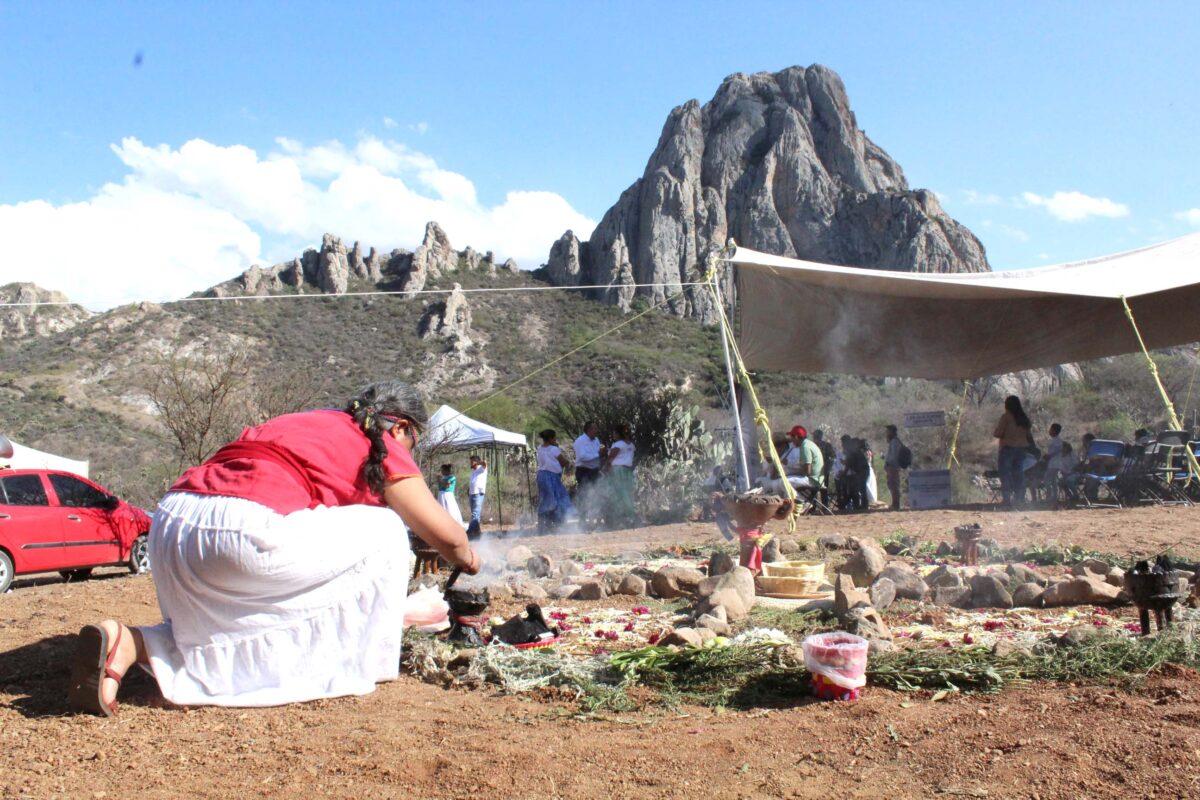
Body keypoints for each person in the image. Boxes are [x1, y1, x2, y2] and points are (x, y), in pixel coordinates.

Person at [67, 380, 480, 716]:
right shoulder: (381, 439)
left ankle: (133, 644)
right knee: (388, 529)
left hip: (172, 526)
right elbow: (447, 537)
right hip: (242, 530)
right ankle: (365, 651)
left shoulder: (312, 420)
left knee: (243, 616)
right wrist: (470, 559)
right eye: (414, 441)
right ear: (403, 427)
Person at [758, 425, 823, 497]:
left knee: (783, 483)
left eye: (792, 437)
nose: (791, 440)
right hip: (811, 478)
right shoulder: (805, 445)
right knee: (775, 482)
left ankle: (799, 502)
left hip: (812, 480)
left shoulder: (805, 448)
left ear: (796, 437)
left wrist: (788, 466)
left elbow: (807, 471)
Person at [993, 395, 1033, 508]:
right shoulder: (1024, 418)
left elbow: (998, 433)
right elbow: (1028, 435)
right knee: (1018, 475)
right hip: (1021, 450)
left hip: (1007, 449)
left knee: (1005, 475)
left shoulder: (1006, 417)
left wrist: (996, 432)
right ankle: (1019, 499)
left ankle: (1007, 500)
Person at [536, 429, 574, 533]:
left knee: (545, 499)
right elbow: (563, 461)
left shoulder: (539, 448)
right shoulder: (554, 449)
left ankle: (542, 524)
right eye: (554, 438)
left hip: (541, 475)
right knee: (559, 498)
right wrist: (568, 464)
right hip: (552, 476)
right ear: (551, 438)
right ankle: (557, 523)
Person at [572, 422, 605, 527]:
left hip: (594, 471)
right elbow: (582, 457)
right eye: (595, 428)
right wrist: (598, 454)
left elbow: (597, 456)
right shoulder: (580, 441)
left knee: (597, 494)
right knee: (584, 494)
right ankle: (582, 520)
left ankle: (595, 519)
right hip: (583, 471)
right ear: (589, 430)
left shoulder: (596, 440)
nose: (597, 431)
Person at [606, 423, 637, 528]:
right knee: (627, 493)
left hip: (618, 471)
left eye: (614, 433)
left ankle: (624, 517)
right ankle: (630, 516)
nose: (613, 435)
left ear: (619, 434)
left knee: (619, 494)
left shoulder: (618, 444)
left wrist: (606, 468)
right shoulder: (631, 445)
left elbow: (611, 457)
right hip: (628, 470)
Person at [437, 464, 466, 528]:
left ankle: (452, 524)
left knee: (450, 509)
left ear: (446, 470)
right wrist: (439, 480)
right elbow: (440, 486)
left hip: (448, 495)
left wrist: (441, 480)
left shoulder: (452, 477)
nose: (441, 472)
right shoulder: (443, 478)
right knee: (442, 509)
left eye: (443, 470)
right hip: (441, 495)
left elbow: (447, 485)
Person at [883, 424, 904, 511]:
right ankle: (894, 503)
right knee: (891, 485)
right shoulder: (892, 441)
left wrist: (889, 464)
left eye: (888, 431)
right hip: (891, 466)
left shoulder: (895, 442)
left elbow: (894, 455)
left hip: (893, 467)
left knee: (894, 485)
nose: (886, 433)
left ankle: (896, 504)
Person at [465, 455, 487, 538]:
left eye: (471, 461)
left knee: (475, 513)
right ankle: (477, 532)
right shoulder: (473, 471)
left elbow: (484, 462)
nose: (470, 463)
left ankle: (470, 531)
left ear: (476, 462)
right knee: (475, 513)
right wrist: (469, 490)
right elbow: (473, 481)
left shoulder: (482, 468)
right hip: (472, 493)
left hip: (478, 493)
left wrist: (477, 463)